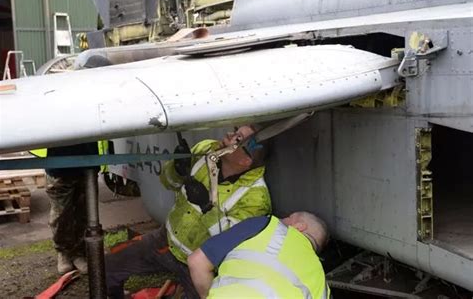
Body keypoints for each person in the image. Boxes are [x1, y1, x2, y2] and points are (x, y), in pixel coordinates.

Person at [106, 125, 272, 298]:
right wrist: (176, 169)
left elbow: (230, 244)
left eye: (237, 138)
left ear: (246, 160)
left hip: (201, 265)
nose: (229, 134)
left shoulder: (256, 198)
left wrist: (206, 206)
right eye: (235, 130)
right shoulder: (205, 149)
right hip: (166, 241)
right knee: (107, 268)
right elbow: (169, 182)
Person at [188, 211, 330, 299]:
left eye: (288, 217)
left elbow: (197, 261)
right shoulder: (322, 284)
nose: (282, 219)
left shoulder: (267, 225)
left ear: (299, 227)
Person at [45, 142, 99, 274]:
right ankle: (64, 253)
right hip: (59, 166)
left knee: (86, 213)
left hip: (88, 162)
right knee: (61, 215)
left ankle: (79, 253)